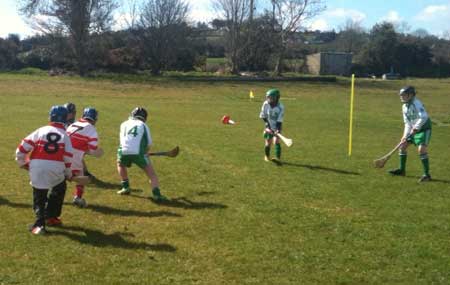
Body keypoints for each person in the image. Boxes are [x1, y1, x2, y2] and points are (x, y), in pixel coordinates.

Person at [15, 106, 73, 235]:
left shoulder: (41, 130)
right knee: (59, 187)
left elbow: (22, 148)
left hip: (37, 167)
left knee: (39, 196)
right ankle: (51, 217)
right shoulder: (65, 135)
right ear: (65, 119)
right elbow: (68, 157)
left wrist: (21, 162)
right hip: (56, 168)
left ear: (51, 116)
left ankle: (39, 225)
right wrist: (68, 172)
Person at [116, 107, 167, 201]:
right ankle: (157, 194)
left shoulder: (123, 124)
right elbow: (149, 143)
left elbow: (123, 140)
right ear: (144, 117)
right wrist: (146, 152)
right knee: (152, 174)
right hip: (139, 153)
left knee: (120, 164)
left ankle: (125, 187)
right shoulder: (143, 125)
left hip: (123, 151)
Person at [389, 86, 432, 182]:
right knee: (402, 146)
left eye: (403, 95)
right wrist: (404, 135)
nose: (401, 97)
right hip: (413, 129)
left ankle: (427, 175)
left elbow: (424, 117)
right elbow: (407, 122)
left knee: (421, 149)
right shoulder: (404, 106)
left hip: (423, 129)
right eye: (401, 95)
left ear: (411, 95)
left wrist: (416, 127)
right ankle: (401, 170)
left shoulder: (417, 103)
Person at [66, 107, 103, 208]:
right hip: (74, 156)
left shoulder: (73, 124)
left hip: (61, 153)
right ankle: (77, 198)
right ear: (94, 119)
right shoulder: (91, 128)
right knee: (81, 177)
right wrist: (96, 152)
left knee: (59, 176)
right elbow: (93, 148)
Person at [64, 102, 96, 179]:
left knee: (78, 156)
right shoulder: (61, 121)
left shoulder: (76, 123)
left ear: (74, 113)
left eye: (68, 113)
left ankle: (84, 172)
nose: (66, 114)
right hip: (65, 145)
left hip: (74, 146)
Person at [259, 88, 285, 162]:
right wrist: (267, 126)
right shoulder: (265, 104)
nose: (269, 100)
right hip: (268, 125)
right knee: (268, 141)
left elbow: (279, 120)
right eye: (268, 98)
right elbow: (263, 116)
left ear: (276, 98)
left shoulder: (281, 107)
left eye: (271, 98)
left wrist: (277, 129)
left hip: (277, 125)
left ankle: (278, 158)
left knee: (276, 141)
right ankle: (267, 156)